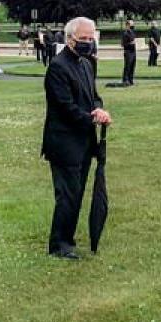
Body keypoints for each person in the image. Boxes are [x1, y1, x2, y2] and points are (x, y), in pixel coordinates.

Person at [42, 16, 113, 259]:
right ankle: (59, 244)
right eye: (83, 38)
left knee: (78, 191)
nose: (88, 42)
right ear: (69, 39)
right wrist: (90, 118)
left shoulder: (86, 64)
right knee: (67, 194)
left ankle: (68, 238)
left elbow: (93, 95)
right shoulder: (58, 67)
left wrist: (99, 109)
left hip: (84, 140)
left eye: (91, 38)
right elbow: (65, 106)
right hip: (64, 141)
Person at [120, 18, 138, 86]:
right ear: (127, 25)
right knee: (127, 66)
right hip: (128, 52)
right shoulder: (125, 33)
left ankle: (131, 80)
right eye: (131, 24)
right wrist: (131, 43)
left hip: (133, 51)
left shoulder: (132, 32)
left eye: (133, 24)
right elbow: (123, 44)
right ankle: (125, 80)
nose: (132, 25)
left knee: (132, 66)